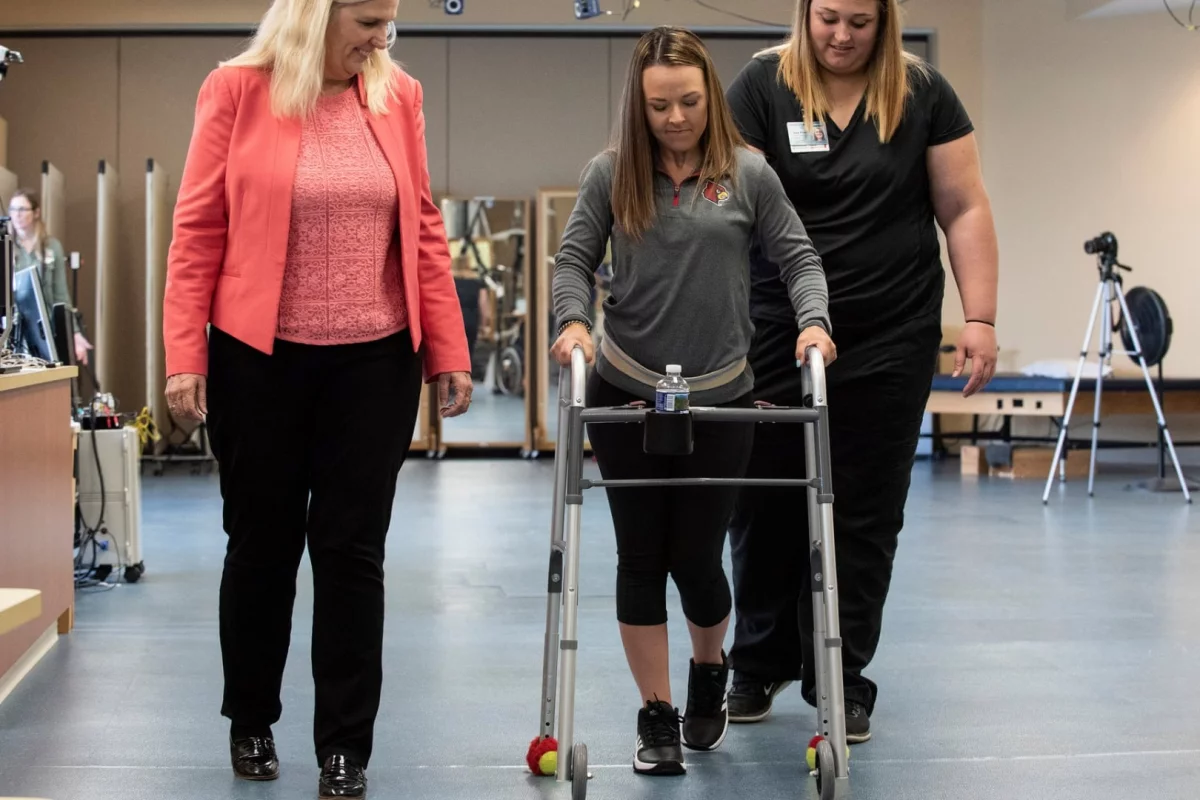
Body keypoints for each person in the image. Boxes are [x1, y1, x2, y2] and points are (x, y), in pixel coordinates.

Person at [160, 1, 473, 796]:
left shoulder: (396, 95)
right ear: (315, 13)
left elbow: (425, 227)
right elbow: (197, 227)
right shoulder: (235, 90)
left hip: (374, 361)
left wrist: (448, 349)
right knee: (262, 545)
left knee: (352, 551)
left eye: (389, 22)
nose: (382, 38)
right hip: (257, 356)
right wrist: (183, 353)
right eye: (367, 20)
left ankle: (345, 746)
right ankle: (252, 720)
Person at [551, 25, 835, 777]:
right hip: (628, 392)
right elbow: (574, 260)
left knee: (699, 561)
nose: (674, 119)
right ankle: (656, 713)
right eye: (657, 106)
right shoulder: (610, 174)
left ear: (709, 93)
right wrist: (573, 321)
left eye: (687, 102)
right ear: (636, 107)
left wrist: (814, 321)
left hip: (719, 397)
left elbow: (797, 255)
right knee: (640, 555)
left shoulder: (749, 174)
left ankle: (711, 665)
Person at [723, 0, 1000, 743]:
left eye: (860, 23)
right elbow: (727, 212)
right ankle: (756, 661)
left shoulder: (923, 92)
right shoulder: (759, 87)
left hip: (890, 330)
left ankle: (840, 675)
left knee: (867, 509)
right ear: (805, 14)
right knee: (762, 500)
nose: (842, 37)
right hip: (776, 329)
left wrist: (979, 318)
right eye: (829, 19)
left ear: (886, 24)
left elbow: (964, 205)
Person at [7, 188, 93, 364]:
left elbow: (61, 295)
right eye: (13, 209)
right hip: (15, 330)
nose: (17, 215)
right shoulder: (7, 247)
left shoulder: (52, 246)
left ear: (36, 212)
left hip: (45, 330)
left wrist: (75, 333)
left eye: (22, 209)